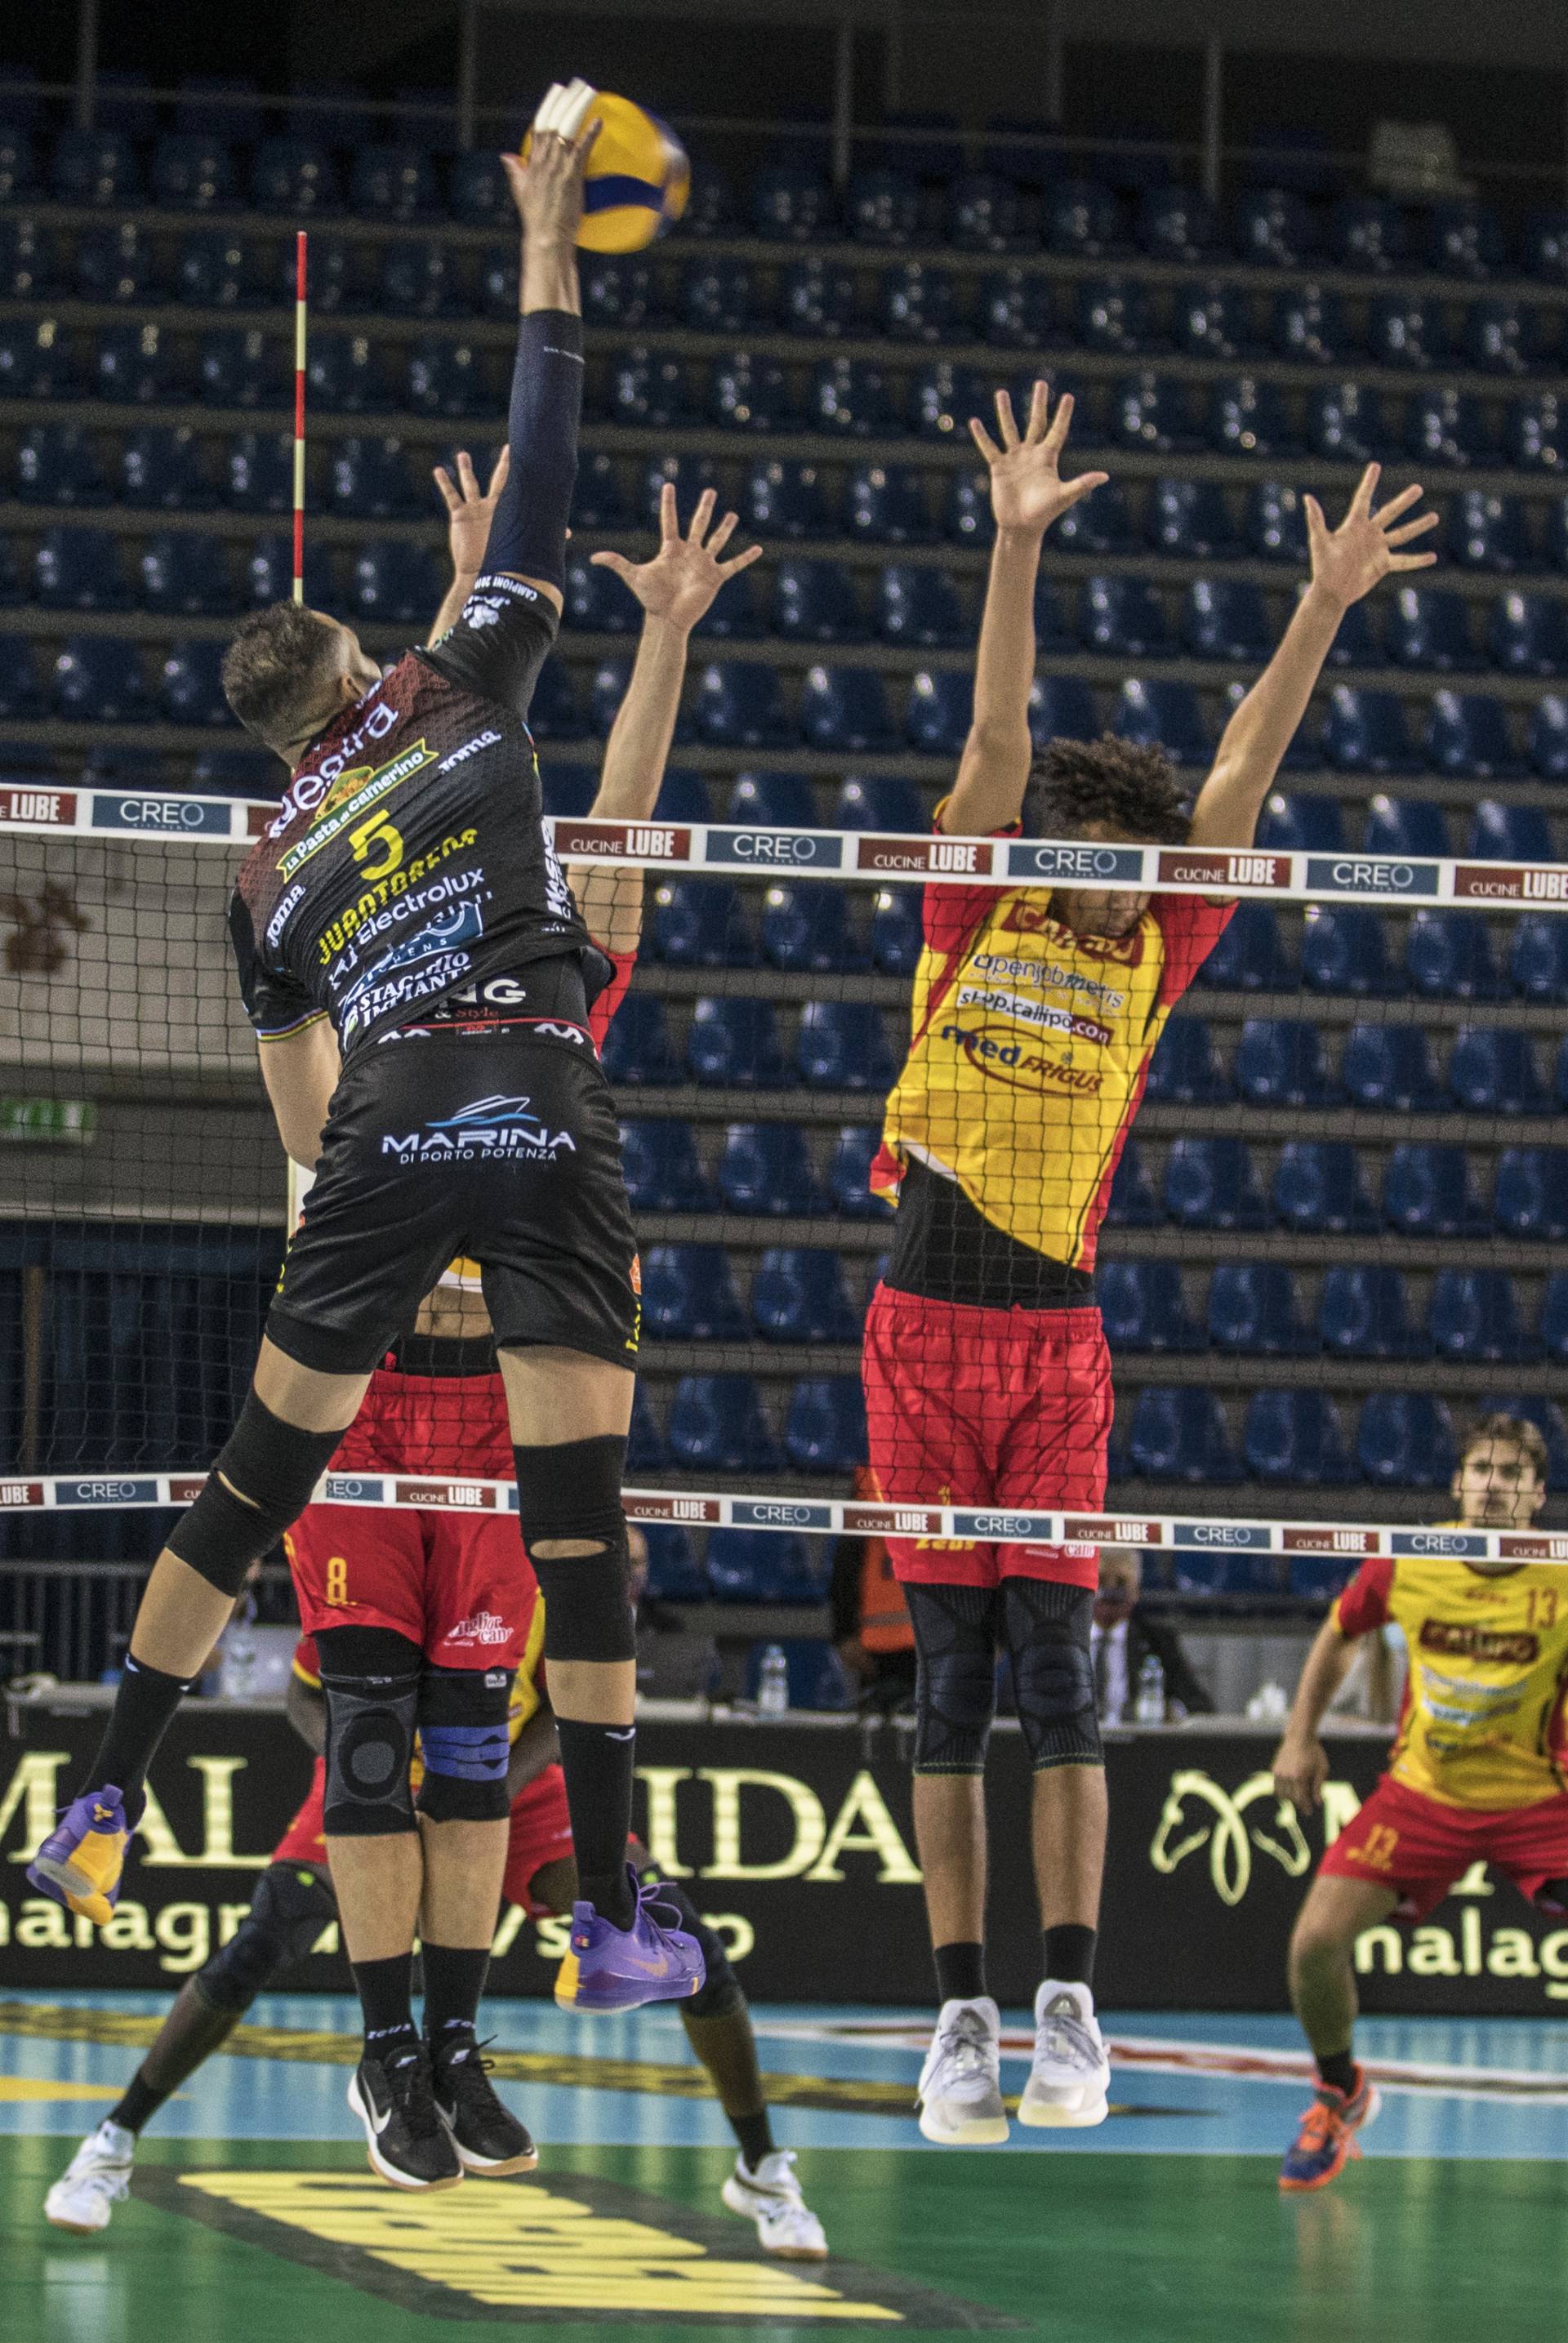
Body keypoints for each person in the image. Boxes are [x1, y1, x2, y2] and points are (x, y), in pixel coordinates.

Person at [28, 87, 707, 2038]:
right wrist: (542, 247)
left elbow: (305, 1117)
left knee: (244, 1490)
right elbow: (545, 454)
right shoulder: (456, 682)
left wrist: (372, 1218)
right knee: (579, 1533)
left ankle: (102, 1792)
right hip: (546, 1100)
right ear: (364, 655)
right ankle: (622, 1906)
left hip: (390, 1127)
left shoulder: (263, 873)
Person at [44, 461, 761, 2199]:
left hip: (488, 1420)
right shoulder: (367, 980)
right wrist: (460, 619)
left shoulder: (544, 978)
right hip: (376, 1409)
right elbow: (408, 775)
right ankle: (387, 2057)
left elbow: (609, 817)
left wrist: (664, 635)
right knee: (371, 1735)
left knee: (468, 1749)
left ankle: (453, 2044)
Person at [858, 381, 1438, 2147]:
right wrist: (1014, 546)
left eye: (1135, 869)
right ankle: (957, 2012)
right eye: (1092, 863)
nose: (1114, 887)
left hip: (1054, 1345)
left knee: (1059, 1680)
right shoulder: (975, 904)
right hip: (915, 1329)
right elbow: (993, 733)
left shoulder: (1155, 950)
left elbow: (1244, 774)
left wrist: (1320, 607)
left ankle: (1067, 2005)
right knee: (949, 1687)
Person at [45, 1607, 826, 2256]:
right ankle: (112, 2143)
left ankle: (761, 2167)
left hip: (508, 1783)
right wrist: (358, 1765)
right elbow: (303, 1696)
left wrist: (490, 1791)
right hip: (373, 1781)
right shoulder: (377, 1565)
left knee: (686, 1941)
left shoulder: (540, 1581)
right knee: (264, 1937)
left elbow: (567, 1710)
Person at [1271, 1410, 1568, 2192]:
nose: (1495, 1487)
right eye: (1483, 1470)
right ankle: (1339, 2091)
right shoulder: (1409, 1559)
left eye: (1512, 1475)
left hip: (1541, 1800)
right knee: (1314, 1946)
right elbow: (1341, 1631)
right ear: (1458, 1483)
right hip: (1423, 1796)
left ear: (1538, 1495)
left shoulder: (1564, 1574)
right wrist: (1300, 1735)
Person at [1089, 1547, 1212, 1726]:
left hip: (1138, 1739)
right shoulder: (1066, 1638)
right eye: (1101, 1581)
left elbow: (1199, 1705)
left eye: (1121, 1583)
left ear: (1136, 1592)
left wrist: (1171, 1711)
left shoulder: (1157, 1640)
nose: (1110, 1591)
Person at [830, 1468, 917, 1708]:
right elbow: (847, 1560)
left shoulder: (958, 1471)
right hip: (878, 1648)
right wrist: (844, 1632)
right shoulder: (870, 1479)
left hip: (940, 1644)